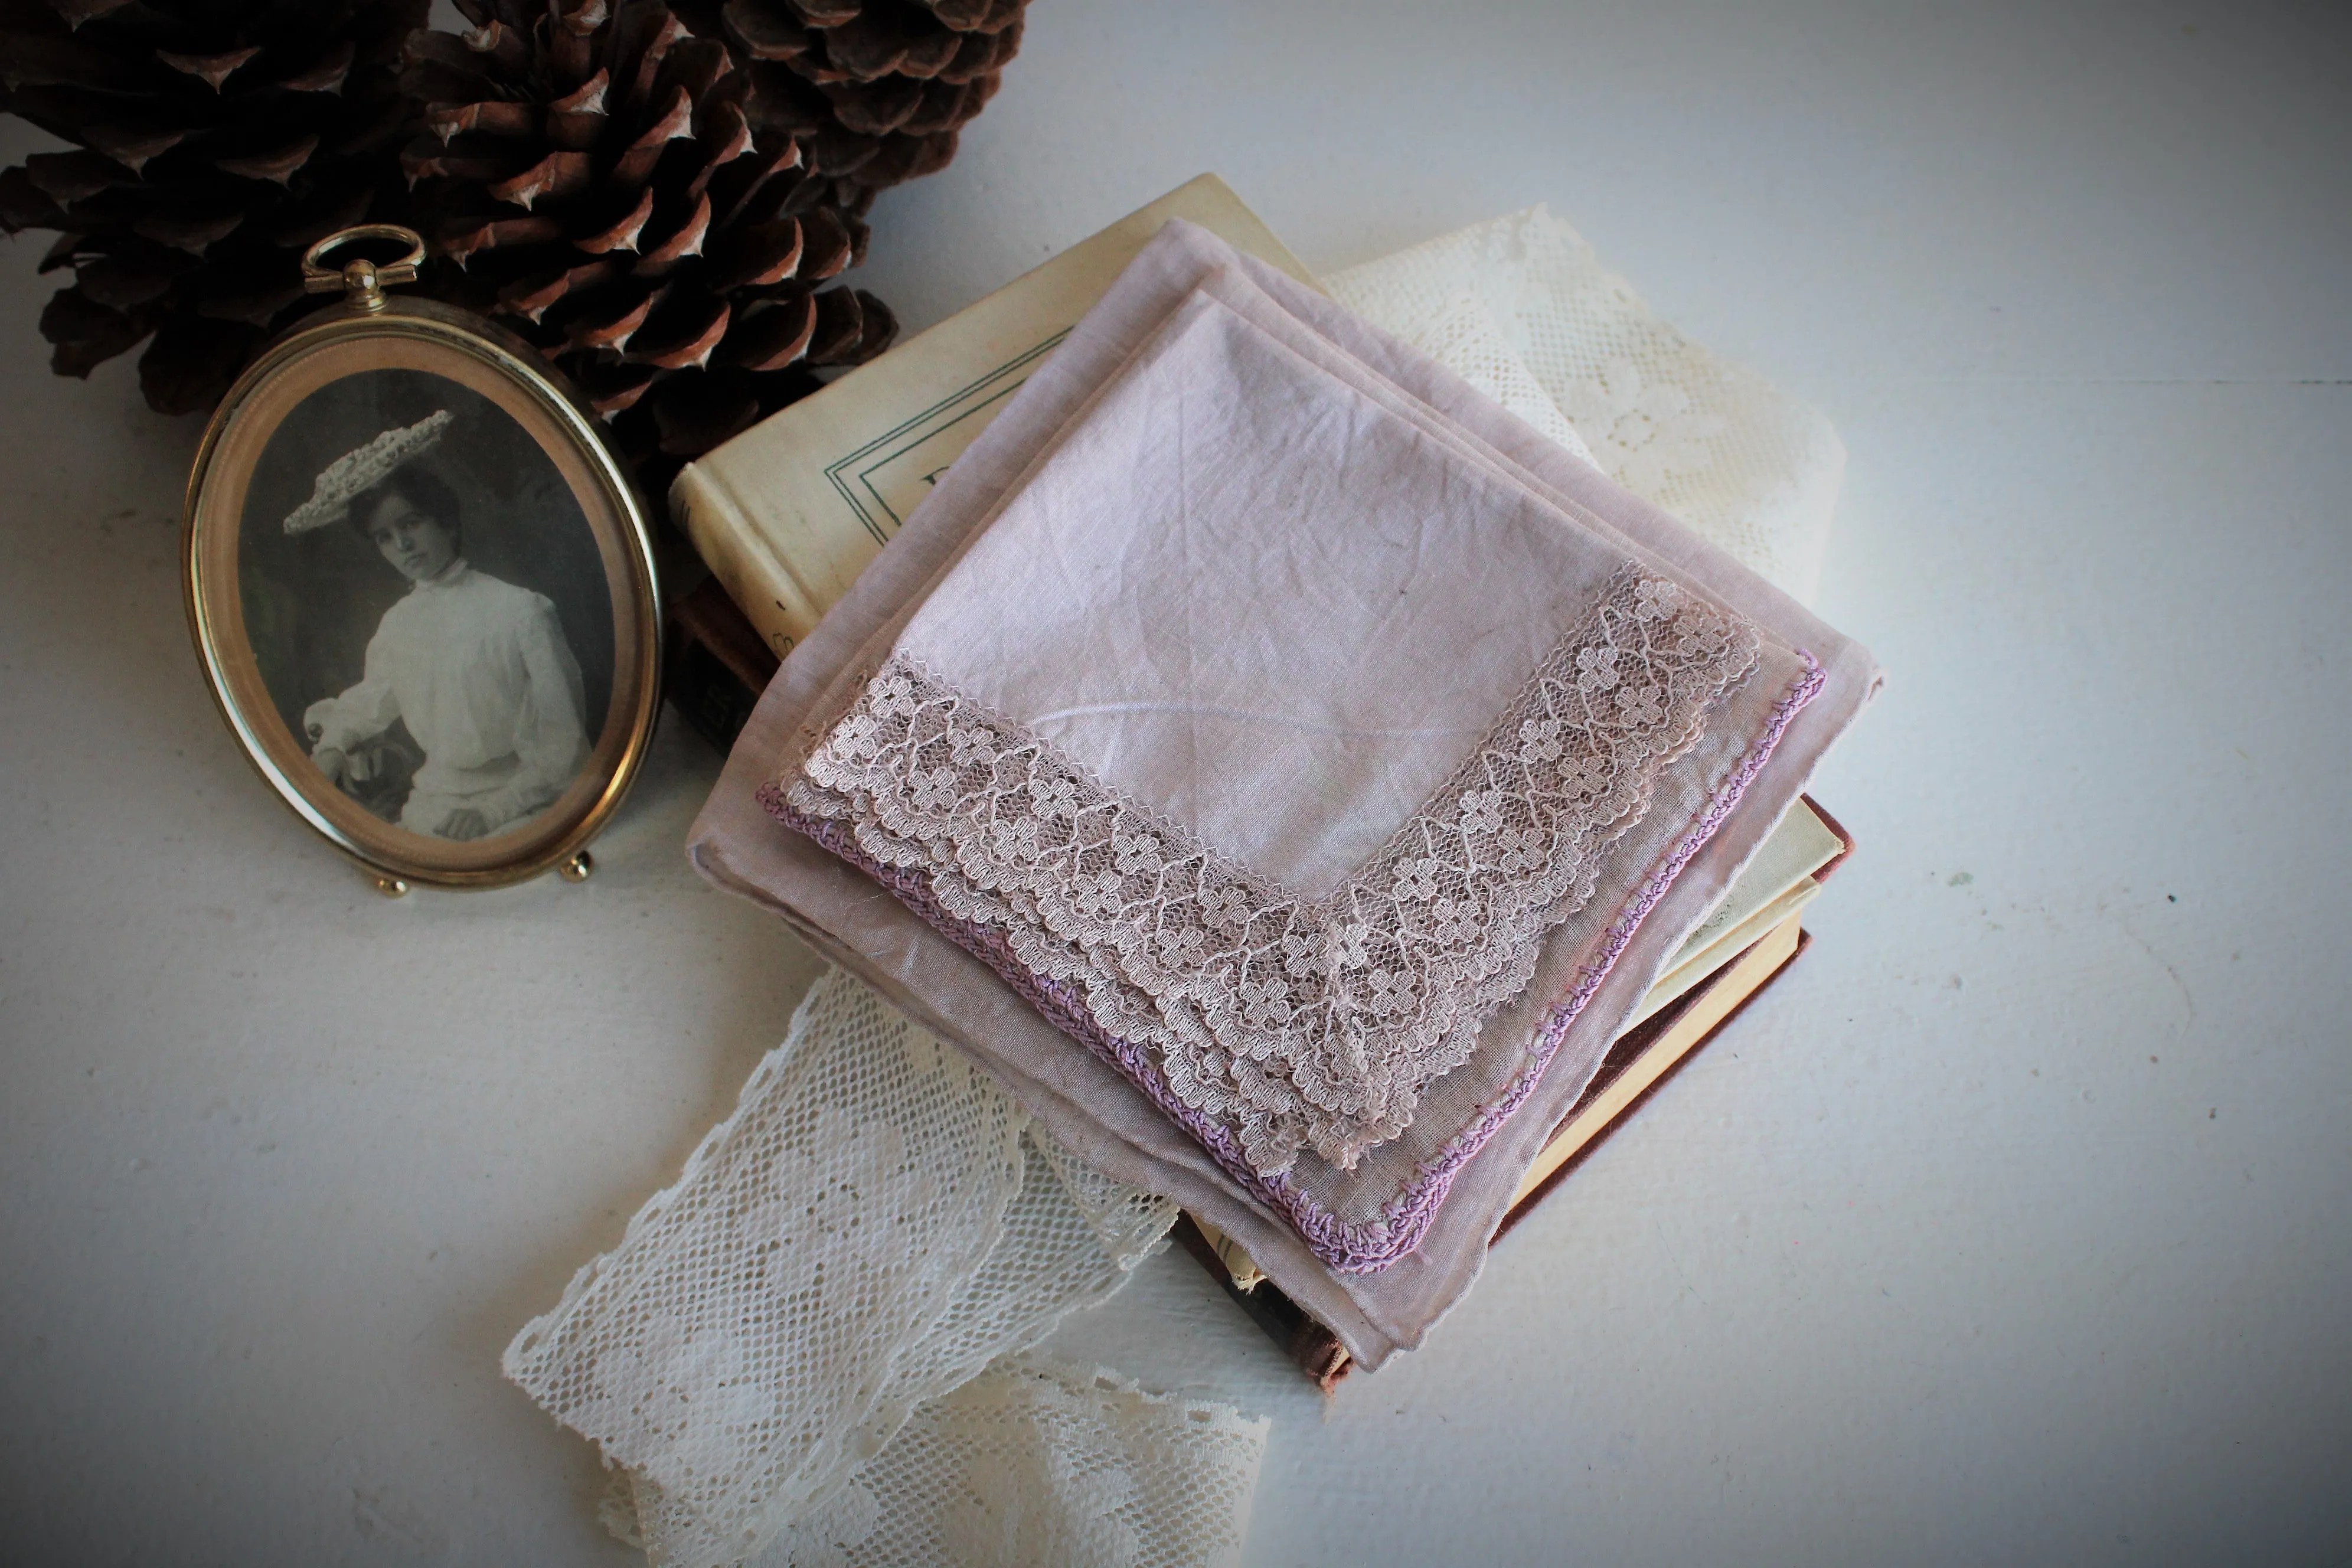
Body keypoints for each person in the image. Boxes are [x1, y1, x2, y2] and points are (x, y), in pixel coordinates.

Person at [301, 461, 591, 841]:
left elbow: (563, 744)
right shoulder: (397, 624)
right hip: (431, 801)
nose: (402, 545)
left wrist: (493, 811)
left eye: (410, 524)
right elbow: (371, 700)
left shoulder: (521, 611)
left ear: (446, 522)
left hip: (520, 801)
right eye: (384, 537)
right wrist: (333, 747)